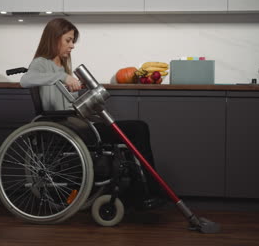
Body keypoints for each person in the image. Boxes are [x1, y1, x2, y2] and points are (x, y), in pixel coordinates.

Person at [20, 18, 164, 207]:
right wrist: (63, 77)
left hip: (76, 125)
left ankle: (143, 190)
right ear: (54, 38)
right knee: (137, 129)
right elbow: (25, 80)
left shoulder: (62, 67)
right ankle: (144, 192)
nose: (72, 46)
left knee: (136, 130)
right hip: (67, 130)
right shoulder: (42, 63)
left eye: (73, 41)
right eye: (68, 40)